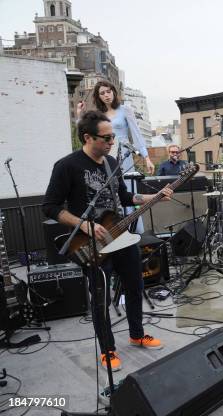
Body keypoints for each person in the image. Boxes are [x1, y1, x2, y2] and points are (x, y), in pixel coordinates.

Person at [43, 111, 173, 372]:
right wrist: (86, 225)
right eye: (106, 137)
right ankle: (107, 350)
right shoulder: (67, 166)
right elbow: (50, 206)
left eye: (113, 136)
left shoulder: (111, 163)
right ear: (87, 137)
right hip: (91, 243)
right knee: (100, 297)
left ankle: (137, 333)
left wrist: (154, 197)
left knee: (135, 287)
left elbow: (124, 197)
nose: (112, 141)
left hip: (120, 236)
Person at [78, 81, 155, 234]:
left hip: (125, 156)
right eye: (102, 93)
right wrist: (80, 114)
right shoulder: (99, 116)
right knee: (109, 193)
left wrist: (146, 157)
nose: (106, 95)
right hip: (105, 156)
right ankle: (115, 230)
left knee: (126, 191)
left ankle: (134, 230)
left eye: (109, 91)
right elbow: (84, 133)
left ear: (113, 91)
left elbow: (137, 134)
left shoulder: (125, 110)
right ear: (98, 97)